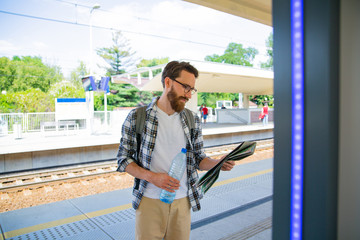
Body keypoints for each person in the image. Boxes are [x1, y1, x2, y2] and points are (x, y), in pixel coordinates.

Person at [116, 61, 235, 240]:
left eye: (192, 90)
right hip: (149, 201)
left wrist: (217, 163)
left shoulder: (192, 119)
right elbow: (123, 160)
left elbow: (198, 159)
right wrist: (152, 177)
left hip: (182, 201)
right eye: (185, 87)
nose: (188, 95)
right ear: (168, 82)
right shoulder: (137, 117)